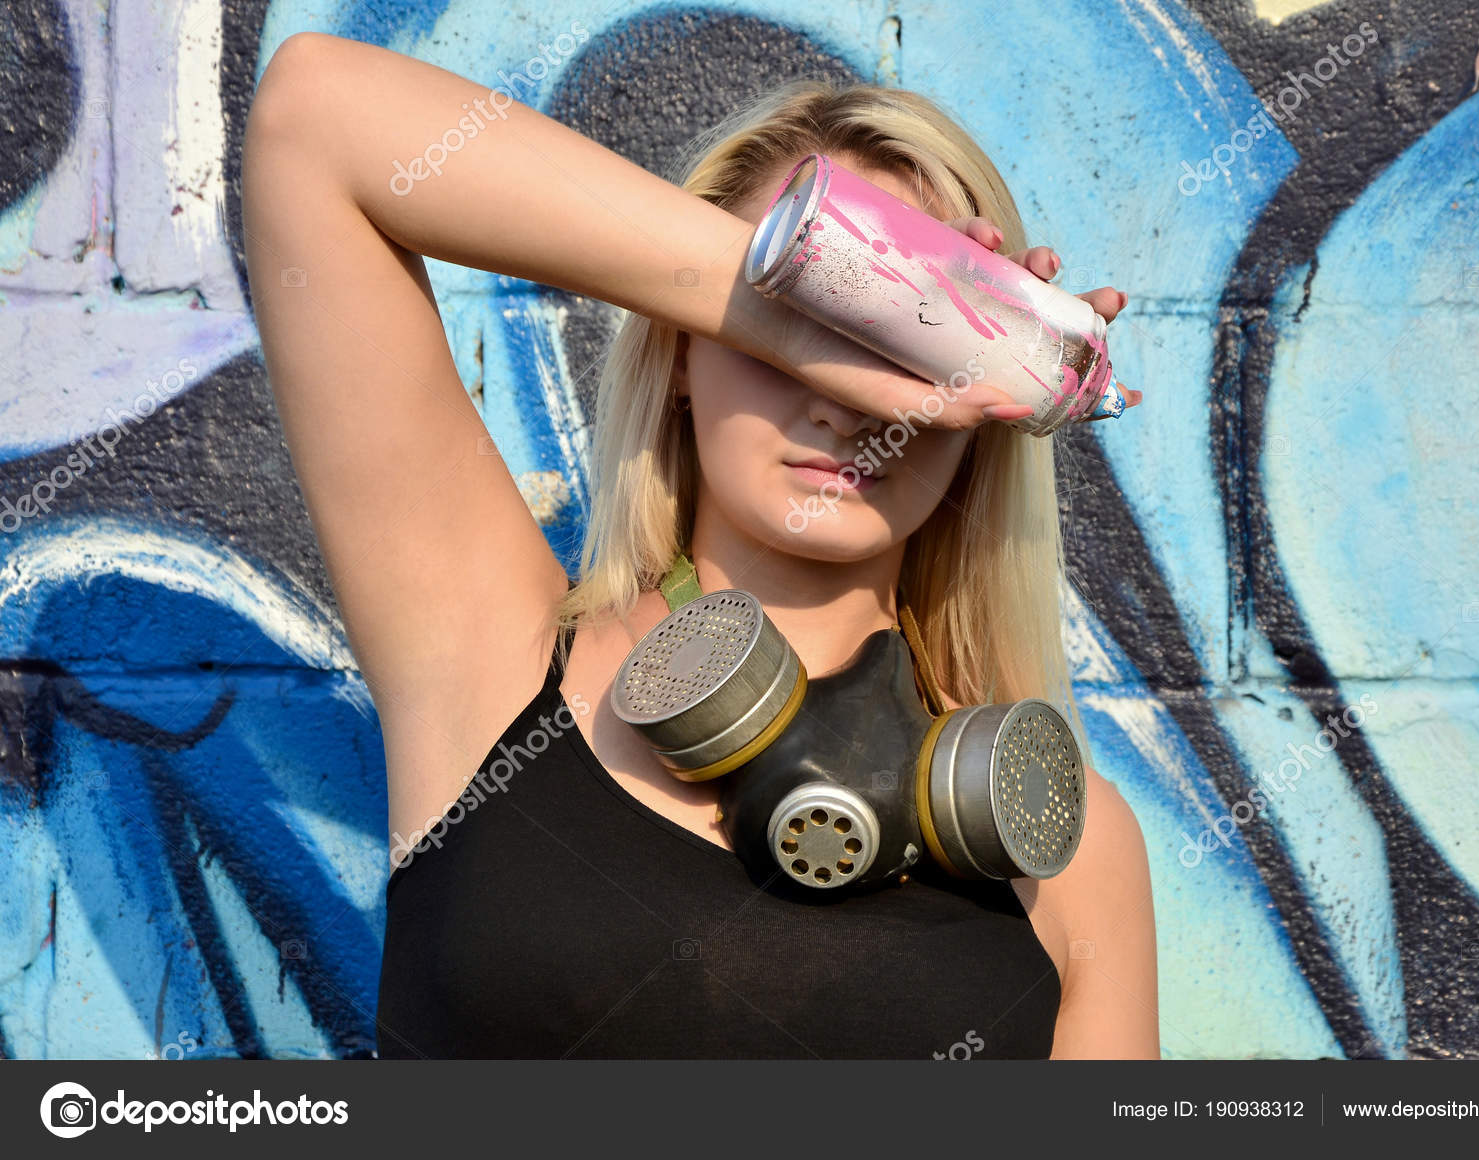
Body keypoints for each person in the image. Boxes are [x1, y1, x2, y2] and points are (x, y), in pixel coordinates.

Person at [241, 30, 1158, 1059]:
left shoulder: (1069, 848)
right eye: (809, 324)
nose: (844, 403)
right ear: (682, 346)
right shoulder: (494, 664)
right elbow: (315, 117)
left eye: (915, 346)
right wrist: (786, 297)